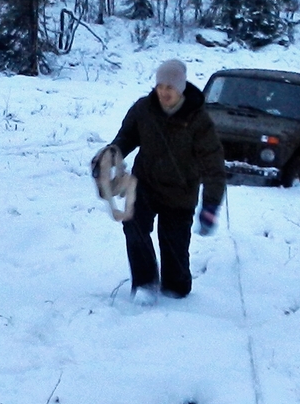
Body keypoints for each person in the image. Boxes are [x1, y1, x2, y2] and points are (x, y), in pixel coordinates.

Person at [93, 58, 226, 299]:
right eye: (160, 86)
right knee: (134, 227)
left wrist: (210, 205)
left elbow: (213, 166)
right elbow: (125, 138)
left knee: (176, 275)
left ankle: (176, 292)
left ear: (181, 88)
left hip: (181, 192)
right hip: (145, 184)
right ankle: (145, 285)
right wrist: (108, 157)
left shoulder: (198, 120)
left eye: (170, 87)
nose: (164, 92)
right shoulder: (144, 109)